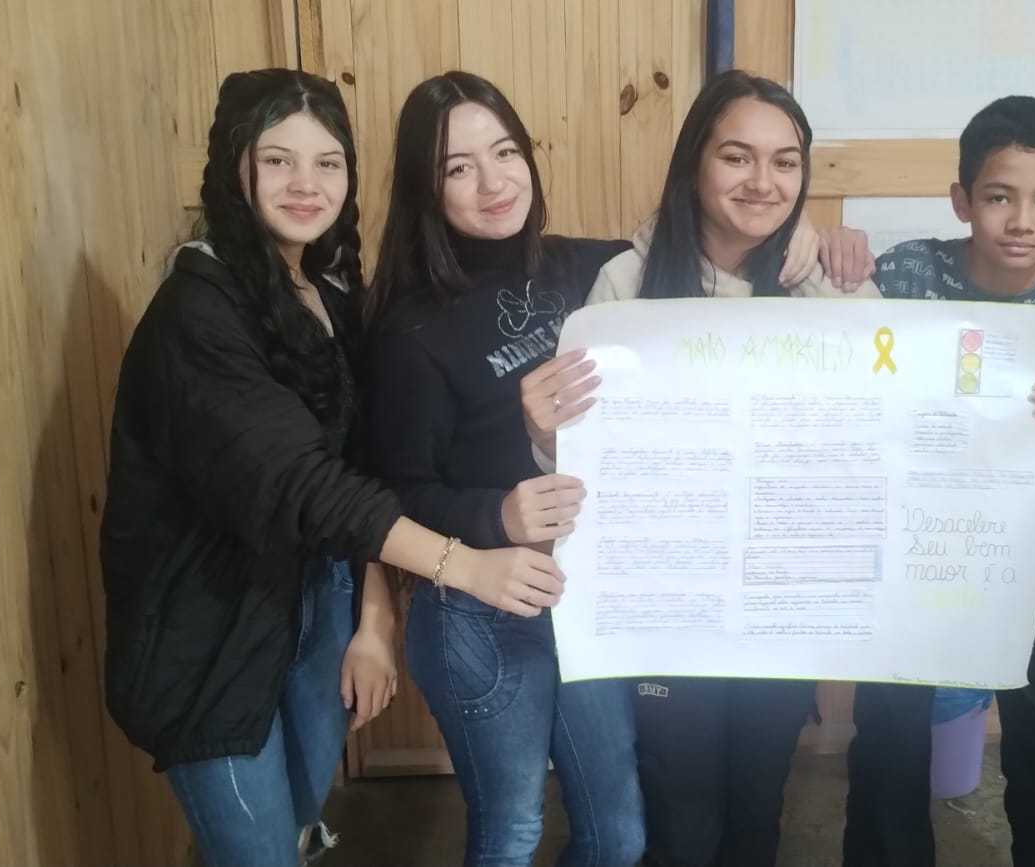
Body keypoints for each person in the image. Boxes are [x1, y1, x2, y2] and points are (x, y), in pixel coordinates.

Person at [361, 70, 872, 866]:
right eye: (458, 166)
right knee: (526, 824)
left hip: (647, 593)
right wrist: (501, 507)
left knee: (639, 826)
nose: (492, 182)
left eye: (505, 152)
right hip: (512, 596)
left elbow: (714, 232)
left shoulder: (572, 265)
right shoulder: (422, 324)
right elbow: (395, 487)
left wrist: (817, 237)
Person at [100, 68, 555, 867]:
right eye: (278, 160)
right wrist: (466, 565)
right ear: (235, 167)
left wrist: (374, 623)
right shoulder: (195, 312)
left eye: (328, 162)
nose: (306, 184)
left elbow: (362, 466)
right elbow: (302, 483)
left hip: (317, 606)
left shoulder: (328, 288)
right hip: (211, 638)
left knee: (299, 826)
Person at [518, 68, 878, 867]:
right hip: (667, 610)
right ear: (693, 164)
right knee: (680, 817)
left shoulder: (827, 283)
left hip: (781, 608)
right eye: (736, 156)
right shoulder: (624, 283)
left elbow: (885, 429)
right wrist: (544, 436)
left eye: (785, 162)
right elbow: (582, 459)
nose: (762, 181)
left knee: (757, 806)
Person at [845, 95, 1035, 867]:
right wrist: (836, 256)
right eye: (999, 196)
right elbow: (851, 392)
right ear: (961, 199)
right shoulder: (906, 273)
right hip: (909, 545)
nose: (1020, 221)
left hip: (1029, 549)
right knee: (889, 727)